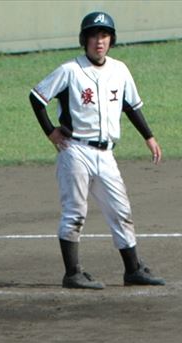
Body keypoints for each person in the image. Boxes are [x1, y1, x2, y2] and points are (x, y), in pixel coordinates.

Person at [30, 10, 165, 290]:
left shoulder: (120, 70)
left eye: (104, 35)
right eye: (93, 36)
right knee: (75, 212)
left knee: (120, 209)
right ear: (85, 40)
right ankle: (72, 273)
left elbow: (131, 106)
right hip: (75, 150)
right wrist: (50, 131)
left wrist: (149, 136)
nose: (99, 41)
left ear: (111, 40)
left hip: (106, 154)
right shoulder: (70, 70)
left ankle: (133, 269)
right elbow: (37, 97)